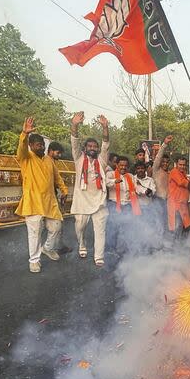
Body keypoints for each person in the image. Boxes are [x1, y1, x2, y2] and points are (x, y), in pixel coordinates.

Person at [15, 118, 69, 273]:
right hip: (33, 202)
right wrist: (24, 133)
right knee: (35, 233)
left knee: (56, 226)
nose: (41, 147)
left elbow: (57, 177)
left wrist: (64, 190)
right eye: (38, 145)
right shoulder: (26, 158)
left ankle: (47, 248)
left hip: (50, 201)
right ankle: (34, 260)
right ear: (31, 146)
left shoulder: (49, 160)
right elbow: (21, 148)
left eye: (43, 145)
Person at [69, 111, 110, 267]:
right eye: (90, 146)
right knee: (79, 226)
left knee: (100, 230)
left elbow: (106, 143)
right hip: (82, 201)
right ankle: (82, 243)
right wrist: (74, 124)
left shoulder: (102, 161)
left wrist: (105, 127)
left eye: (95, 146)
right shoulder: (79, 159)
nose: (93, 148)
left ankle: (98, 256)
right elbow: (74, 142)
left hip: (99, 202)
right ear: (85, 148)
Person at [106, 156, 142, 254]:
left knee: (127, 228)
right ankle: (110, 251)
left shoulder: (130, 176)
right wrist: (114, 181)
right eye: (121, 165)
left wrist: (146, 191)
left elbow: (136, 188)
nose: (123, 167)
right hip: (114, 205)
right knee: (113, 228)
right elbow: (105, 182)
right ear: (116, 165)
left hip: (128, 206)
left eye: (125, 166)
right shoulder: (111, 174)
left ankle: (124, 251)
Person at [46, 141, 71, 255]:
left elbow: (57, 180)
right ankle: (45, 250)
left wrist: (64, 191)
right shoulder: (44, 162)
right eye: (58, 152)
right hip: (44, 198)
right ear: (50, 151)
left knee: (58, 222)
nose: (59, 155)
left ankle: (57, 246)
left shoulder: (53, 163)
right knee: (54, 223)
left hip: (52, 196)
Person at [168, 155, 190, 239]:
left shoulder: (183, 173)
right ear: (176, 164)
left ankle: (181, 246)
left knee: (186, 226)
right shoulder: (174, 172)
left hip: (183, 204)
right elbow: (181, 182)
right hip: (176, 205)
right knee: (177, 227)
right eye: (180, 164)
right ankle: (175, 248)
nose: (182, 166)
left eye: (184, 165)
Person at [152, 136, 173, 232]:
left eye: (167, 162)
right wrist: (165, 144)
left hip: (167, 202)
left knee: (165, 224)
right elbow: (158, 157)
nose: (165, 163)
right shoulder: (156, 170)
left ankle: (163, 244)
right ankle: (155, 244)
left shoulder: (170, 173)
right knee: (157, 224)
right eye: (163, 162)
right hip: (157, 200)